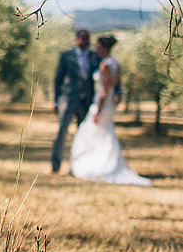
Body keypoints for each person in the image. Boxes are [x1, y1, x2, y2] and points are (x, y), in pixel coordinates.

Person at [69, 35, 152, 185]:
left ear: (105, 48)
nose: (97, 50)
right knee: (105, 134)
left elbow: (105, 90)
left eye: (99, 47)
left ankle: (97, 166)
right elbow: (115, 88)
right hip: (109, 105)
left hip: (102, 104)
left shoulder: (105, 65)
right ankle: (105, 164)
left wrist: (98, 111)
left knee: (89, 133)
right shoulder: (116, 64)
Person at [52, 29, 100, 173]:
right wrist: (55, 101)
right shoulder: (66, 56)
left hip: (86, 102)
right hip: (68, 99)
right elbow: (58, 79)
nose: (85, 41)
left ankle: (78, 166)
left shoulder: (94, 56)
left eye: (88, 38)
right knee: (62, 132)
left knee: (83, 135)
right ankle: (55, 165)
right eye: (83, 38)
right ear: (77, 39)